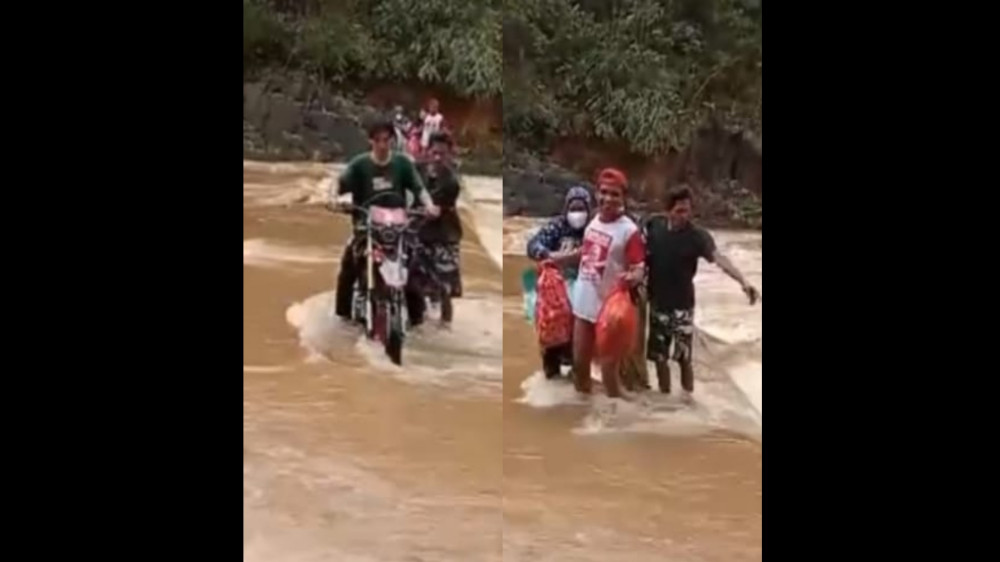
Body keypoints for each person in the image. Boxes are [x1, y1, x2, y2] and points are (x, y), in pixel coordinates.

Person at [644, 186, 760, 401]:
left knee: (683, 358)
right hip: (658, 303)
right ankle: (664, 399)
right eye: (679, 211)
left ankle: (688, 399)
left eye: (687, 210)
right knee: (659, 357)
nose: (684, 216)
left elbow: (719, 259)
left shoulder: (698, 236)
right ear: (668, 211)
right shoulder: (654, 226)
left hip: (682, 306)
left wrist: (743, 281)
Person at [330, 119, 440, 327]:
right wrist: (333, 198)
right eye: (378, 140)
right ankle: (342, 318)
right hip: (367, 227)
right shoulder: (359, 164)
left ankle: (418, 322)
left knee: (415, 268)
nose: (382, 144)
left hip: (397, 228)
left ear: (392, 141)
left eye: (386, 140)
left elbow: (419, 189)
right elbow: (338, 182)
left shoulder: (402, 164)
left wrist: (429, 205)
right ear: (370, 141)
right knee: (348, 267)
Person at [570, 168, 645, 398]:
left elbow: (639, 266)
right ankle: (582, 416)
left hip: (610, 313)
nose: (608, 199)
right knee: (579, 366)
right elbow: (587, 252)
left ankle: (618, 418)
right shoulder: (593, 221)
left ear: (623, 199)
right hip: (584, 304)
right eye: (604, 192)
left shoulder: (629, 231)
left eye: (615, 194)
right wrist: (557, 259)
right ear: (596, 193)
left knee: (609, 375)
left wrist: (634, 277)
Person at [526, 186, 593, 379]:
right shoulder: (557, 226)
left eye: (582, 209)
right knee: (551, 343)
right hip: (555, 295)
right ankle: (551, 381)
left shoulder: (593, 229)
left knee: (579, 344)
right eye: (573, 208)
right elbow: (533, 245)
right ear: (566, 209)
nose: (577, 214)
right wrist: (549, 255)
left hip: (584, 292)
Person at [413, 131, 464, 326]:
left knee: (444, 286)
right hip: (420, 232)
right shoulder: (417, 170)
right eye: (434, 152)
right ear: (427, 151)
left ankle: (445, 324)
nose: (437, 158)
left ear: (449, 155)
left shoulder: (451, 182)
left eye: (442, 154)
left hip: (445, 235)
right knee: (415, 280)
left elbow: (434, 206)